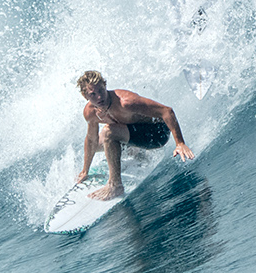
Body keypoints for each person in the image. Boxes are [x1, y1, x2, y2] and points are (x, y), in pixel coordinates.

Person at [75, 69, 195, 201]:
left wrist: (180, 143)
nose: (99, 97)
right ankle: (133, 150)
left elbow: (166, 111)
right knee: (98, 142)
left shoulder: (125, 102)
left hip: (156, 134)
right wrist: (85, 170)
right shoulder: (90, 112)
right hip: (132, 132)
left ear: (105, 86)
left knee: (109, 132)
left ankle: (115, 185)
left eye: (101, 91)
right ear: (84, 95)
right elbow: (91, 140)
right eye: (93, 94)